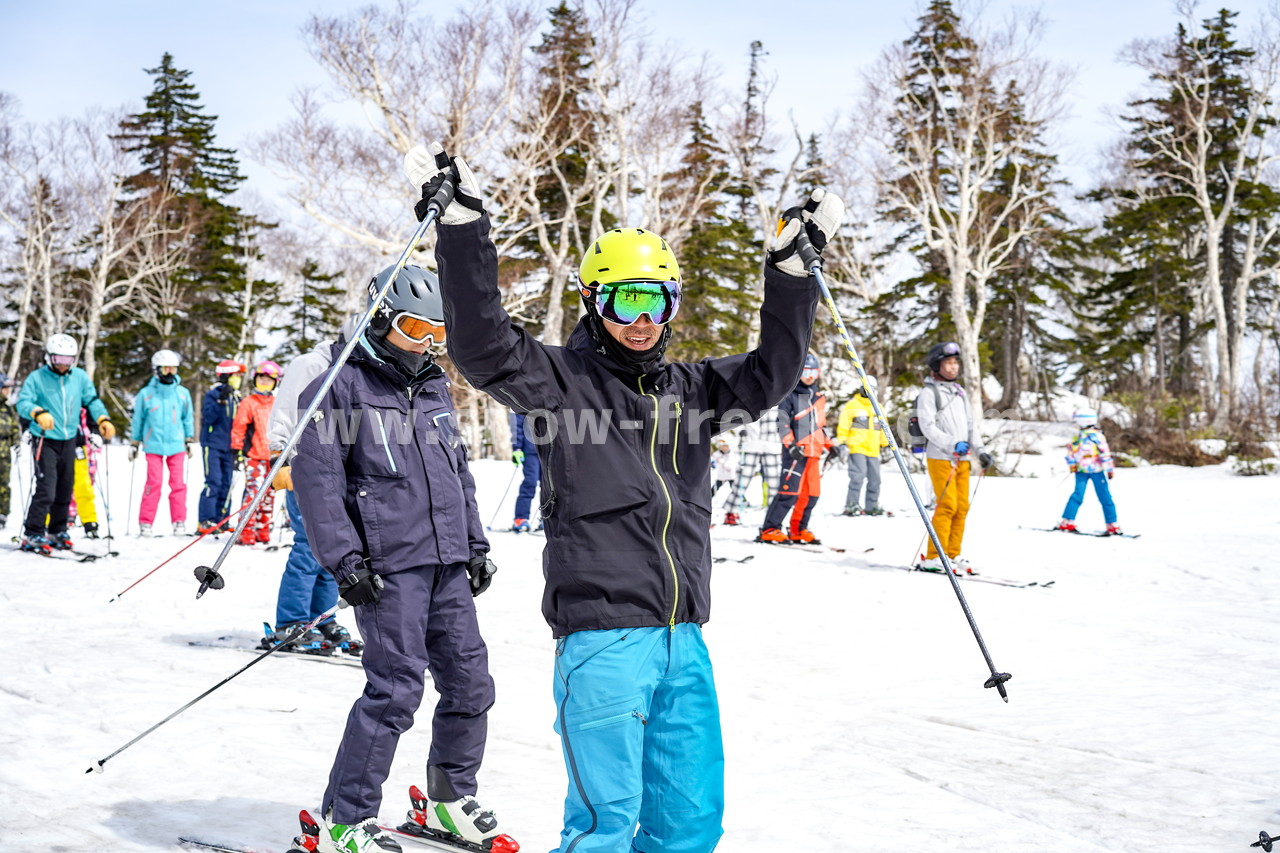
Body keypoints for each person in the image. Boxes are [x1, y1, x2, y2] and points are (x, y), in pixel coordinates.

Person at [406, 140, 838, 853]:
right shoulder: (559, 383)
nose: (641, 318)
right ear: (593, 299)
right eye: (624, 299)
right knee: (605, 826)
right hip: (602, 639)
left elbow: (773, 371)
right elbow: (483, 348)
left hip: (683, 640)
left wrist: (790, 276)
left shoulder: (694, 393)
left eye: (656, 300)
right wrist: (463, 231)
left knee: (690, 823)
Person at [292, 262, 502, 853]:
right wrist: (345, 561)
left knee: (470, 684)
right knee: (394, 691)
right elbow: (318, 482)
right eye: (416, 326)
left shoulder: (434, 385)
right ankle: (344, 816)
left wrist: (475, 544)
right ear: (381, 319)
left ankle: (448, 799)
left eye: (439, 329)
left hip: (447, 564)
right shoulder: (337, 387)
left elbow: (457, 473)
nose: (430, 341)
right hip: (387, 570)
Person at [263, 317, 362, 656]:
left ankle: (321, 618)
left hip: (341, 472)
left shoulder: (359, 373)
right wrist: (279, 457)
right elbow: (286, 410)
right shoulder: (311, 365)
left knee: (334, 550)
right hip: (304, 467)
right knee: (308, 546)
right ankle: (290, 620)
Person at [15, 334, 117, 553]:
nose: (63, 364)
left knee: (64, 487)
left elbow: (91, 400)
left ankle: (57, 530)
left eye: (68, 359)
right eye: (59, 359)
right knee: (46, 489)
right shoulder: (37, 378)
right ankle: (33, 532)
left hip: (69, 439)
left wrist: (103, 419)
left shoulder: (79, 377)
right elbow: (23, 401)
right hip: (45, 439)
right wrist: (37, 412)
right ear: (50, 357)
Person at [914, 341, 993, 573]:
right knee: (947, 505)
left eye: (955, 362)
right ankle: (932, 556)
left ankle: (952, 553)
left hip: (964, 459)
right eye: (947, 362)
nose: (953, 367)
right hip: (940, 457)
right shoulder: (928, 393)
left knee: (961, 507)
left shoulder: (960, 392)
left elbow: (971, 427)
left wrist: (981, 451)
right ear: (936, 365)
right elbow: (928, 427)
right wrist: (952, 443)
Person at [758, 353, 833, 545]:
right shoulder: (789, 395)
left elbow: (819, 426)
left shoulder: (818, 398)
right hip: (796, 452)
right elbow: (782, 422)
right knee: (789, 493)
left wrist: (830, 445)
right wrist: (790, 444)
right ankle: (770, 529)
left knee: (811, 495)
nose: (809, 376)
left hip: (814, 454)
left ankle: (798, 529)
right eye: (806, 371)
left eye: (813, 372)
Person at [130, 349, 195, 537]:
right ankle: (145, 523)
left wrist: (188, 439)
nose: (169, 373)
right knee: (154, 483)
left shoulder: (182, 394)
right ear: (157, 370)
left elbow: (187, 418)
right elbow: (138, 419)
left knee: (178, 484)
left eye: (173, 370)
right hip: (153, 445)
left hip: (176, 445)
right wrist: (135, 442)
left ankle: (179, 521)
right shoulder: (146, 394)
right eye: (165, 369)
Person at [231, 360, 281, 546]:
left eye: (269, 380)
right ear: (255, 380)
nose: (265, 382)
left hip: (273, 457)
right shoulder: (249, 402)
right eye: (261, 378)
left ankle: (263, 530)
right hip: (254, 456)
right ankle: (245, 531)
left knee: (269, 495)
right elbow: (239, 427)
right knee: (253, 494)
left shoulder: (276, 403)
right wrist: (236, 450)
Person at [198, 359, 246, 533]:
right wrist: (220, 400)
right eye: (235, 375)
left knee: (227, 483)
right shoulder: (213, 394)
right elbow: (208, 418)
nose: (238, 379)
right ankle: (206, 520)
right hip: (213, 444)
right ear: (226, 376)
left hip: (230, 447)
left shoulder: (237, 397)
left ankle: (221, 519)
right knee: (214, 481)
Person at [1056, 409, 1122, 535]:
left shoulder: (1092, 436)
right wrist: (1109, 468)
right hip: (1087, 471)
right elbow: (1072, 453)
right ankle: (1068, 521)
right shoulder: (1081, 437)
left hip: (1091, 471)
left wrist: (1109, 468)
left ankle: (1111, 523)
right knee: (1096, 496)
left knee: (1096, 496)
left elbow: (1104, 454)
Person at [836, 375, 888, 516]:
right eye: (866, 388)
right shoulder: (852, 405)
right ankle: (852, 504)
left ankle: (871, 506)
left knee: (875, 479)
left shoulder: (879, 408)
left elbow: (884, 428)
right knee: (858, 477)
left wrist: (886, 443)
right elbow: (843, 426)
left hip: (873, 449)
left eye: (872, 389)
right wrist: (842, 442)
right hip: (856, 447)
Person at [723, 406, 781, 526]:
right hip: (751, 443)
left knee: (774, 482)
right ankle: (731, 512)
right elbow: (737, 415)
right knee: (742, 480)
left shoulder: (782, 396)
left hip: (772, 445)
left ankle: (774, 516)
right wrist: (740, 431)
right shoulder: (753, 394)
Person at [69, 408, 104, 537]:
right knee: (56, 484)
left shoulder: (83, 397)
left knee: (84, 483)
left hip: (80, 443)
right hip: (54, 442)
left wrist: (95, 432)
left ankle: (89, 521)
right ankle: (50, 521)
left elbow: (93, 411)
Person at [510, 411, 541, 531]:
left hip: (550, 451)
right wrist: (517, 448)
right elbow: (515, 425)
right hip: (530, 451)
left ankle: (548, 518)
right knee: (530, 482)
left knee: (549, 487)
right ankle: (521, 518)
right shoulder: (522, 397)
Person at [0, 374, 19, 528]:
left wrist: (17, 443)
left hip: (4, 453)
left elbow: (14, 428)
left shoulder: (8, 409)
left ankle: (2, 513)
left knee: (4, 484)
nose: (7, 392)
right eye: (5, 388)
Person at [710, 437, 737, 505]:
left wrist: (725, 463)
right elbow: (712, 461)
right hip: (721, 476)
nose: (724, 448)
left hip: (730, 476)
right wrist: (713, 464)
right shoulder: (717, 454)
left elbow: (734, 463)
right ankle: (707, 499)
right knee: (714, 489)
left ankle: (742, 500)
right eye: (722, 446)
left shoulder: (732, 454)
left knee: (735, 489)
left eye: (725, 446)